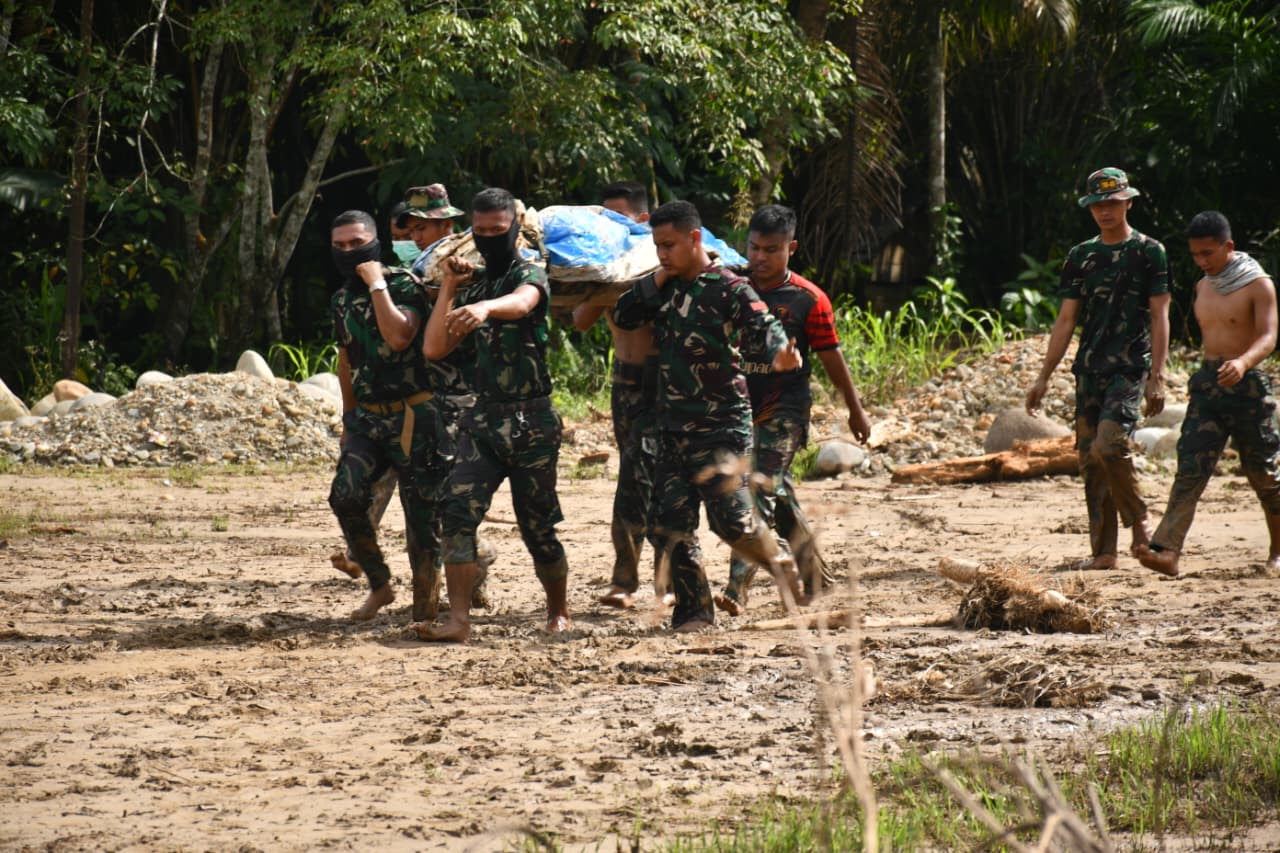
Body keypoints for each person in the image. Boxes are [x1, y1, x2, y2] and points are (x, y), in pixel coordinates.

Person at [612, 199, 804, 632]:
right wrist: (660, 275)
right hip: (670, 428)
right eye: (657, 246)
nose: (661, 253)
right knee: (668, 527)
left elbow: (763, 323)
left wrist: (780, 352)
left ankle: (779, 560)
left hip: (720, 427)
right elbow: (624, 315)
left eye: (669, 245)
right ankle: (695, 612)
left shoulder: (728, 286)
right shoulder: (662, 286)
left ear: (695, 239)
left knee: (732, 521)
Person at [416, 187, 570, 642]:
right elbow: (433, 347)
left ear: (514, 229)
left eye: (496, 231)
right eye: (478, 232)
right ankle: (459, 619)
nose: (486, 239)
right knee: (457, 513)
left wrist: (483, 307)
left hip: (531, 421)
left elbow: (523, 302)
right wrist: (450, 287)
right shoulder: (474, 282)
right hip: (482, 421)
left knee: (538, 524)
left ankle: (558, 611)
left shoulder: (531, 270)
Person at [720, 205, 872, 614]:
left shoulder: (809, 300)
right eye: (753, 248)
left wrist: (855, 411)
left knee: (758, 487)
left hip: (785, 411)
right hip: (738, 412)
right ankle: (817, 578)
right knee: (778, 493)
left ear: (792, 248)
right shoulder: (730, 288)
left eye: (771, 250)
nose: (759, 258)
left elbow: (831, 358)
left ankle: (737, 586)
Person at [1026, 167, 1171, 570]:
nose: (1105, 211)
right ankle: (1104, 552)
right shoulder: (1081, 256)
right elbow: (1066, 320)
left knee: (1111, 445)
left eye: (1112, 203)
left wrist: (1157, 377)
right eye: (1097, 205)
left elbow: (1160, 316)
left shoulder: (1149, 251)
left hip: (1129, 368)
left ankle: (1140, 519)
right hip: (1089, 369)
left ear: (1128, 202)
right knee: (1091, 459)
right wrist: (1043, 377)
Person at [1136, 211, 1280, 576]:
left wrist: (1244, 363)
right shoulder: (1204, 285)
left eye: (1208, 253)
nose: (1201, 261)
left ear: (1228, 246)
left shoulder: (1258, 284)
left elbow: (1268, 336)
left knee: (1263, 472)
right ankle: (1167, 550)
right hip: (1208, 385)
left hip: (1247, 386)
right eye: (1196, 255)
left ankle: (1278, 552)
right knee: (1190, 468)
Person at [327, 210, 454, 621]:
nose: (349, 252)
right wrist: (348, 422)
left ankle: (426, 609)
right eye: (341, 246)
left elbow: (400, 336)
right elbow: (346, 361)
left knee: (422, 521)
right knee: (345, 497)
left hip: (415, 417)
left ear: (376, 243)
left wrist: (376, 282)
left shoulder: (402, 284)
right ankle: (380, 586)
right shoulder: (341, 299)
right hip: (368, 418)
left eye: (357, 243)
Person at [571, 180, 668, 609]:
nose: (608, 226)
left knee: (647, 479)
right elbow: (580, 320)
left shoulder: (660, 263)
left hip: (660, 385)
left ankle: (650, 582)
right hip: (622, 385)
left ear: (641, 220)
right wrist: (603, 279)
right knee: (635, 478)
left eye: (617, 218)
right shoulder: (609, 265)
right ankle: (634, 580)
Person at [397, 183, 465, 278]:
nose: (416, 238)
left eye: (421, 228)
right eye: (410, 231)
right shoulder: (418, 264)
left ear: (446, 225)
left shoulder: (467, 256)